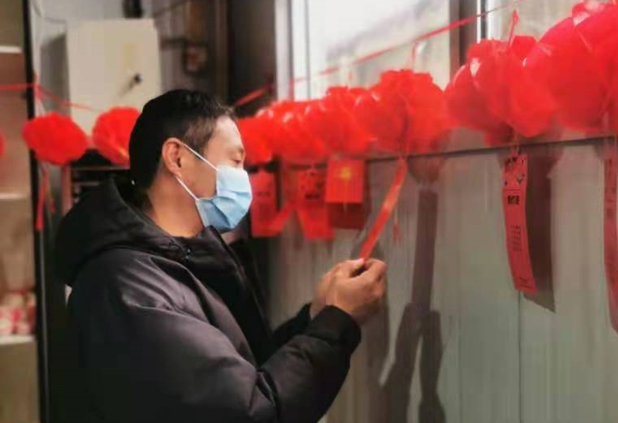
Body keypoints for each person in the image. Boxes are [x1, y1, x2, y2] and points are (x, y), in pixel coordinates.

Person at [55, 89, 387, 423]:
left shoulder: (176, 261)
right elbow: (248, 410)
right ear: (177, 158)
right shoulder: (128, 290)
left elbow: (245, 371)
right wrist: (337, 321)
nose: (243, 179)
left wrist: (317, 316)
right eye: (235, 161)